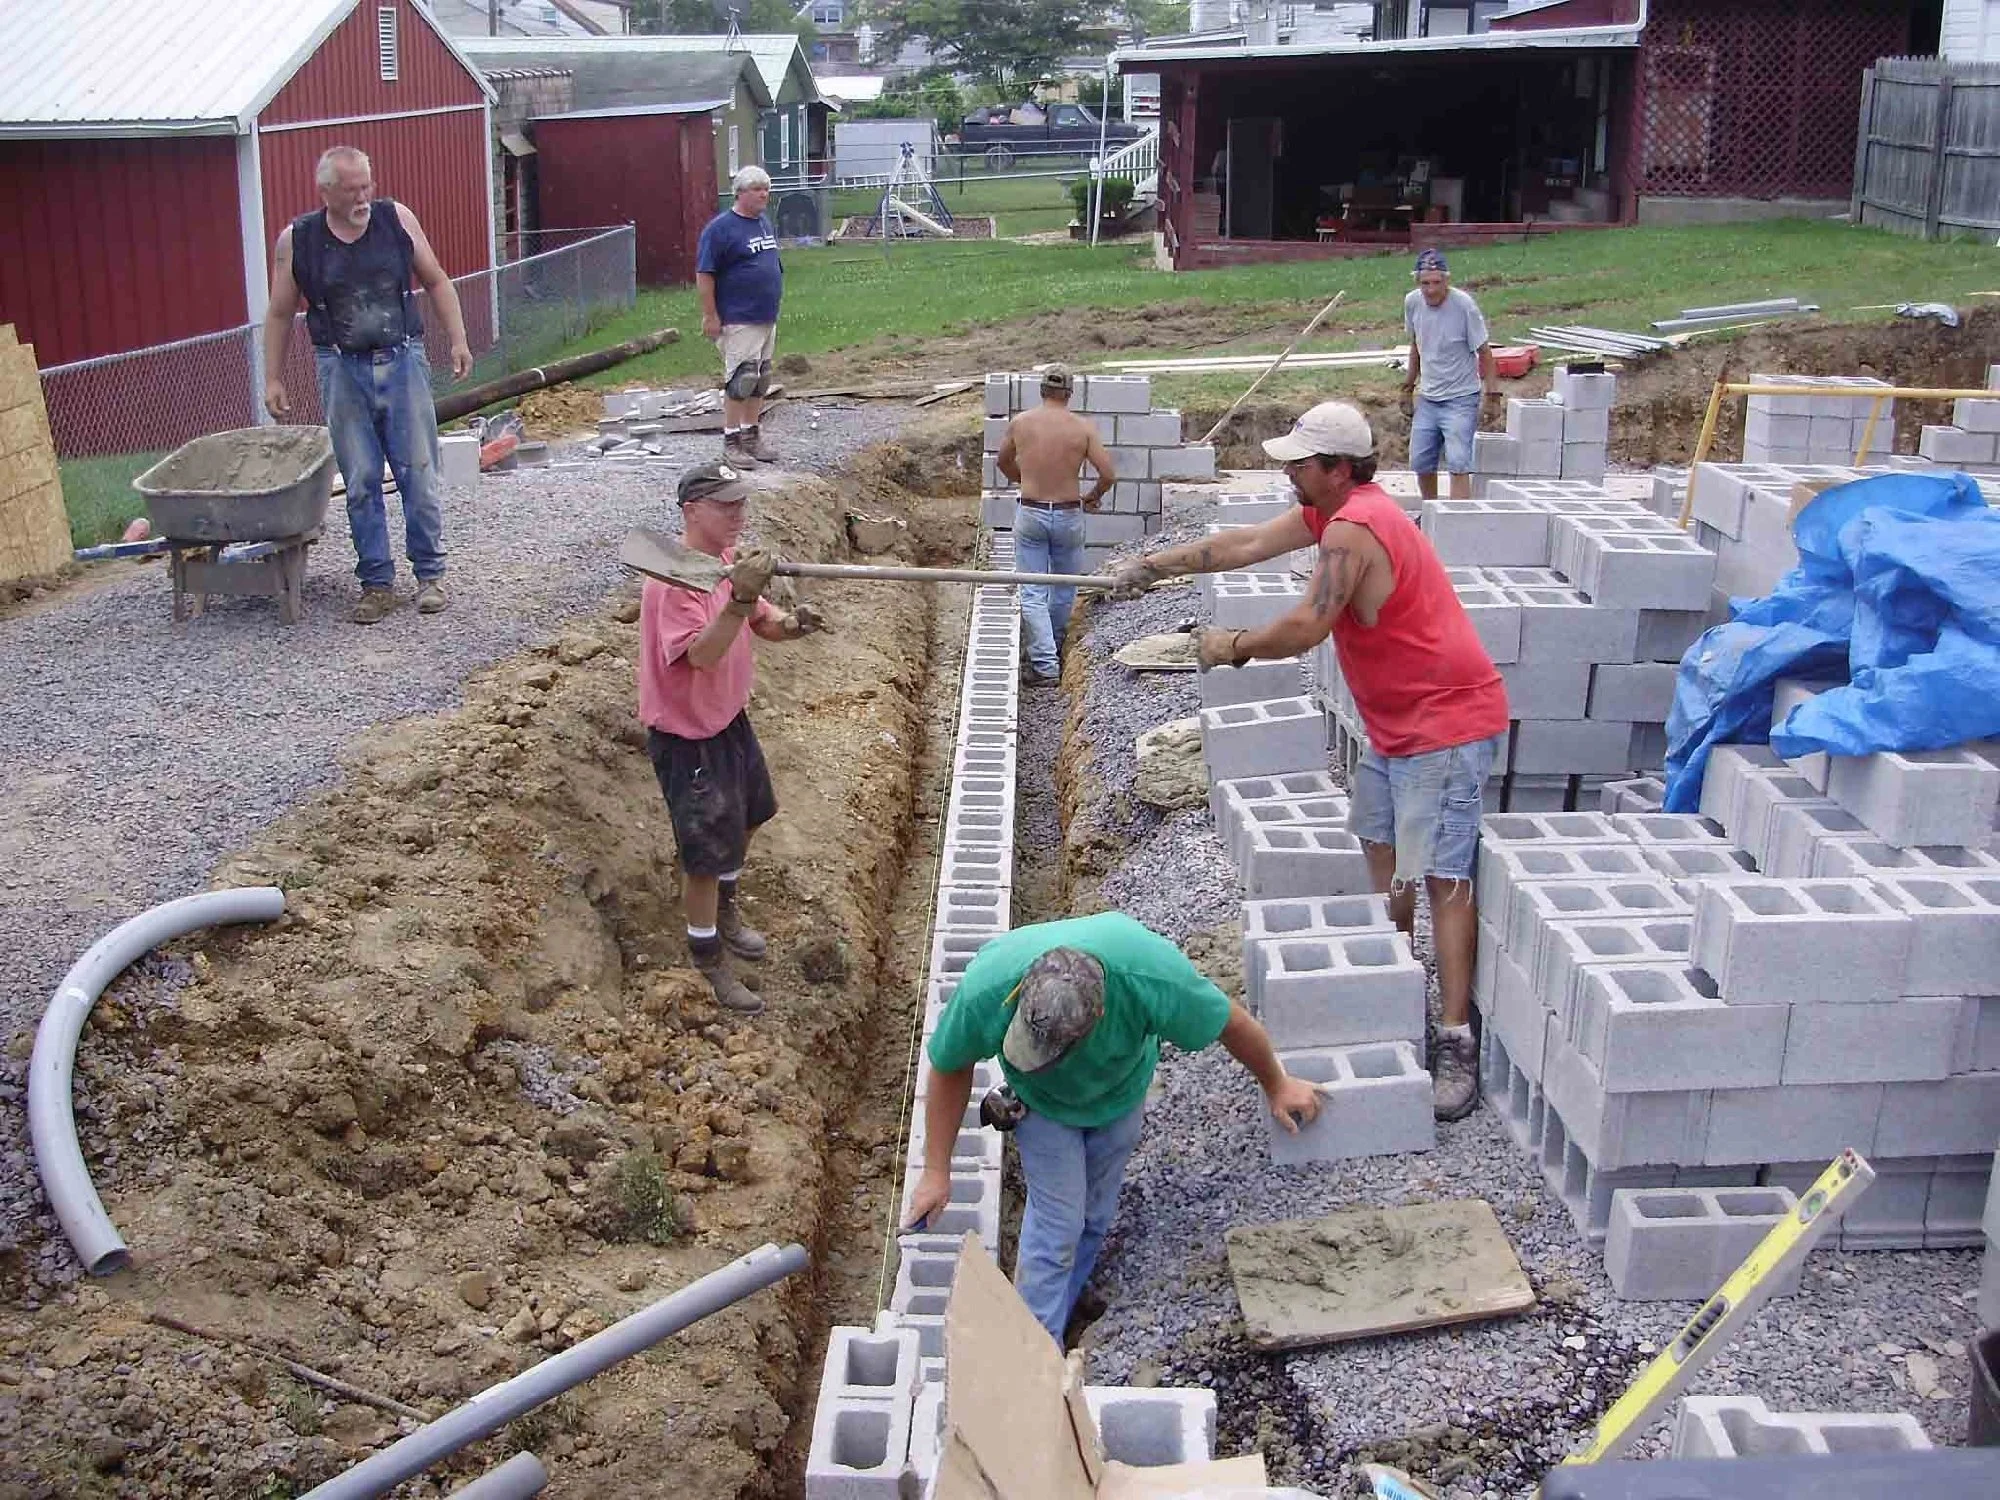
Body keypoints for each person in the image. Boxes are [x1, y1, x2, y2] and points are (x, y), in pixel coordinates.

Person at [1105, 403, 1510, 1120]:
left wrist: (1230, 646)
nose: (1287, 471)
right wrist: (1151, 566)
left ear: (1338, 468)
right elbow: (1245, 544)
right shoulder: (1330, 513)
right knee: (1387, 861)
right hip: (1396, 726)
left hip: (1442, 725)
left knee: (1443, 878)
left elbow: (1308, 623)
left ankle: (1455, 1038)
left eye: (1299, 462)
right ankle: (1395, 986)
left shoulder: (1356, 528)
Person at [903, 913, 1322, 1344]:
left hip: (1119, 1094)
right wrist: (937, 1170)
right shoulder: (988, 988)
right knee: (1057, 1227)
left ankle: (1065, 1304)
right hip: (1042, 1104)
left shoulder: (1150, 976)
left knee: (1094, 1215)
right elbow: (950, 1066)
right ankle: (1033, 1354)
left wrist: (1277, 1083)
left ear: (1099, 1013)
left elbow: (1230, 1024)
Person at [639, 463, 824, 1014]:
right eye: (726, 506)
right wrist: (740, 600)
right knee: (703, 854)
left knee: (750, 814)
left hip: (727, 721)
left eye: (742, 503)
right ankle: (708, 955)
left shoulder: (722, 564)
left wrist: (793, 623)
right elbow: (700, 654)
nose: (738, 515)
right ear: (691, 511)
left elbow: (762, 622)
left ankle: (726, 907)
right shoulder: (674, 579)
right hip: (688, 736)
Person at [262, 145, 471, 624]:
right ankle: (376, 583)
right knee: (359, 480)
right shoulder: (298, 240)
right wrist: (272, 376)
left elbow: (437, 281)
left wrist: (457, 340)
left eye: (366, 186)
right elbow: (278, 313)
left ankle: (430, 576)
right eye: (351, 190)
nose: (362, 197)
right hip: (341, 369)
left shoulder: (396, 219)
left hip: (403, 361)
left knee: (418, 470)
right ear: (326, 191)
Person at [996, 365, 1116, 686]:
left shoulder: (1021, 423)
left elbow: (1002, 461)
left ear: (1041, 390)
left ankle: (1044, 664)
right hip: (1068, 514)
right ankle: (1054, 648)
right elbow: (1108, 475)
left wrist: (1025, 479)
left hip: (1032, 512)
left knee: (1033, 591)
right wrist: (1091, 497)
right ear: (1069, 393)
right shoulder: (1083, 428)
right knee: (1063, 586)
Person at [697, 166, 784, 469]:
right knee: (741, 380)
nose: (764, 195)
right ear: (741, 192)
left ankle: (751, 435)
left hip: (765, 315)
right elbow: (705, 274)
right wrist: (710, 316)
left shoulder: (763, 224)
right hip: (738, 316)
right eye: (757, 189)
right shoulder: (720, 230)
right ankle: (731, 440)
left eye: (766, 189)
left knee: (760, 380)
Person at [1401, 248, 1498, 501]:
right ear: (1417, 282)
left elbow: (1485, 352)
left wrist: (1493, 395)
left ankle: (1458, 521)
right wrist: (1407, 387)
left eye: (1436, 283)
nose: (1431, 290)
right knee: (1421, 462)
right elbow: (1416, 345)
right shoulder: (1412, 303)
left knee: (1458, 462)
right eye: (1425, 284)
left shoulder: (1464, 306)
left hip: (1461, 398)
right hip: (1429, 398)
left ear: (1447, 280)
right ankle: (1431, 513)